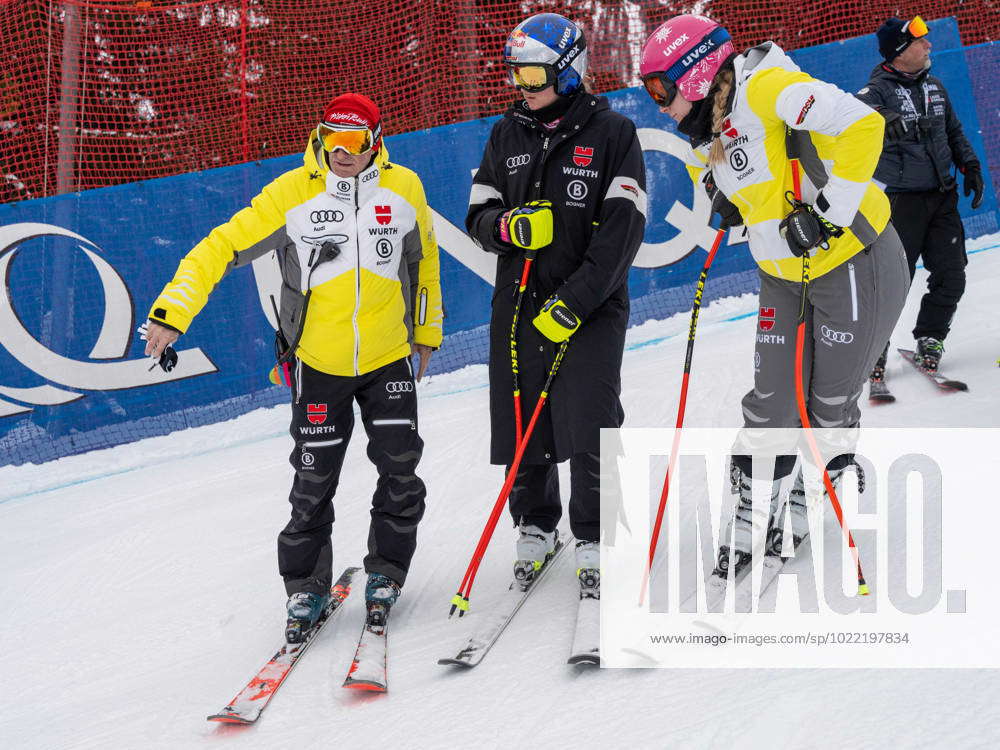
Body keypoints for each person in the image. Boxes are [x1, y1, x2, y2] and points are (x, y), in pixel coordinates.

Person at [142, 93, 443, 641]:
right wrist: (172, 312)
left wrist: (426, 330)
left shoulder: (405, 189)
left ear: (375, 143)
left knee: (400, 474)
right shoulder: (291, 194)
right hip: (318, 363)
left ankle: (387, 573)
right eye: (331, 139)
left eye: (352, 142)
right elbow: (219, 248)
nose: (340, 153)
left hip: (387, 358)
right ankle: (306, 586)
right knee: (311, 483)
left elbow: (423, 263)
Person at [639, 15, 909, 576]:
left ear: (696, 75)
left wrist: (828, 212)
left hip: (854, 260)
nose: (657, 103)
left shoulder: (768, 88)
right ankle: (750, 508)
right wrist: (728, 196)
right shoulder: (711, 123)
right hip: (783, 274)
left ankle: (819, 481)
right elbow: (743, 169)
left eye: (661, 89)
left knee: (826, 404)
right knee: (773, 405)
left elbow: (863, 126)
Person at [466, 13, 646, 598]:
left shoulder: (613, 132)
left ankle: (595, 534)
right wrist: (507, 227)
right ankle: (537, 523)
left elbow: (624, 228)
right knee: (523, 416)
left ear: (568, 69)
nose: (524, 83)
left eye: (535, 70)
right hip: (518, 301)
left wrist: (576, 300)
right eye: (517, 71)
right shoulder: (505, 133)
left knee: (590, 414)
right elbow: (477, 214)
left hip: (590, 304)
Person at [856, 16, 984, 387]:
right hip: (900, 203)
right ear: (899, 52)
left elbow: (953, 131)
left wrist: (970, 165)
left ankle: (931, 338)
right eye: (920, 42)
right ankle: (874, 348)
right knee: (895, 281)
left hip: (942, 198)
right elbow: (854, 112)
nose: (928, 45)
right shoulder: (876, 90)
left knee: (951, 274)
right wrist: (883, 117)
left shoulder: (936, 87)